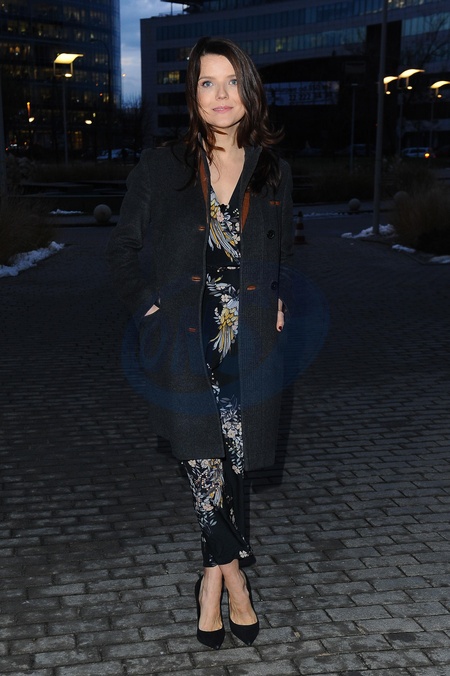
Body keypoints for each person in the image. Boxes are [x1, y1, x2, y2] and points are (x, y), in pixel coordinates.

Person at [106, 36, 294, 650]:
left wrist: (279, 297)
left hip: (250, 343)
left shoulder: (272, 168)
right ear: (192, 93)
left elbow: (283, 249)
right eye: (207, 82)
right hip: (186, 342)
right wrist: (148, 307)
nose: (220, 95)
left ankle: (212, 576)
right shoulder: (163, 166)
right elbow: (121, 249)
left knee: (232, 465)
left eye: (232, 81)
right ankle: (231, 583)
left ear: (249, 89)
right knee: (203, 465)